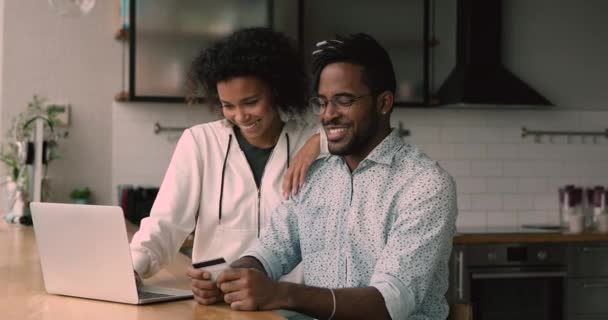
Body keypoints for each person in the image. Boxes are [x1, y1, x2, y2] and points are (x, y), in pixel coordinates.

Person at [196, 33, 458, 319]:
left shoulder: (424, 184)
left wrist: (281, 293)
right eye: (322, 103)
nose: (328, 115)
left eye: (344, 101)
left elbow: (391, 301)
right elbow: (271, 250)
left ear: (383, 103)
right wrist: (229, 278)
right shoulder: (315, 177)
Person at [129, 28, 326, 300]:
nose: (241, 115)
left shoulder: (309, 139)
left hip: (288, 303)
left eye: (251, 102)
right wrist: (133, 267)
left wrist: (319, 141)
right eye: (228, 105)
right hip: (219, 303)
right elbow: (165, 223)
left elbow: (358, 132)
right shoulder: (199, 142)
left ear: (277, 91)